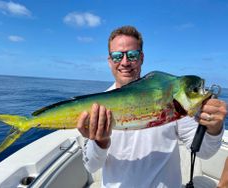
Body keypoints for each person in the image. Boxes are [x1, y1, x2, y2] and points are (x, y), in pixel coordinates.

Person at [77, 25, 227, 187]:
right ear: (109, 61)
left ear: (142, 58)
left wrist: (214, 128)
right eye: (117, 56)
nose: (125, 62)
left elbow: (205, 151)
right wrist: (101, 142)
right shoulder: (98, 108)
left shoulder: (171, 100)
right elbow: (91, 165)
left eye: (132, 55)